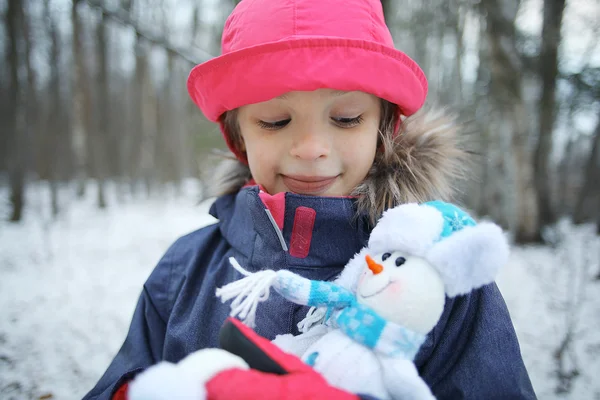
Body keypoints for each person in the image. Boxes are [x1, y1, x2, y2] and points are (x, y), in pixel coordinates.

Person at [84, 0, 536, 399]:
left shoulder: (439, 273)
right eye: (276, 121)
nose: (310, 147)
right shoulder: (186, 268)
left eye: (345, 117)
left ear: (383, 129)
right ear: (239, 135)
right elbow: (123, 379)